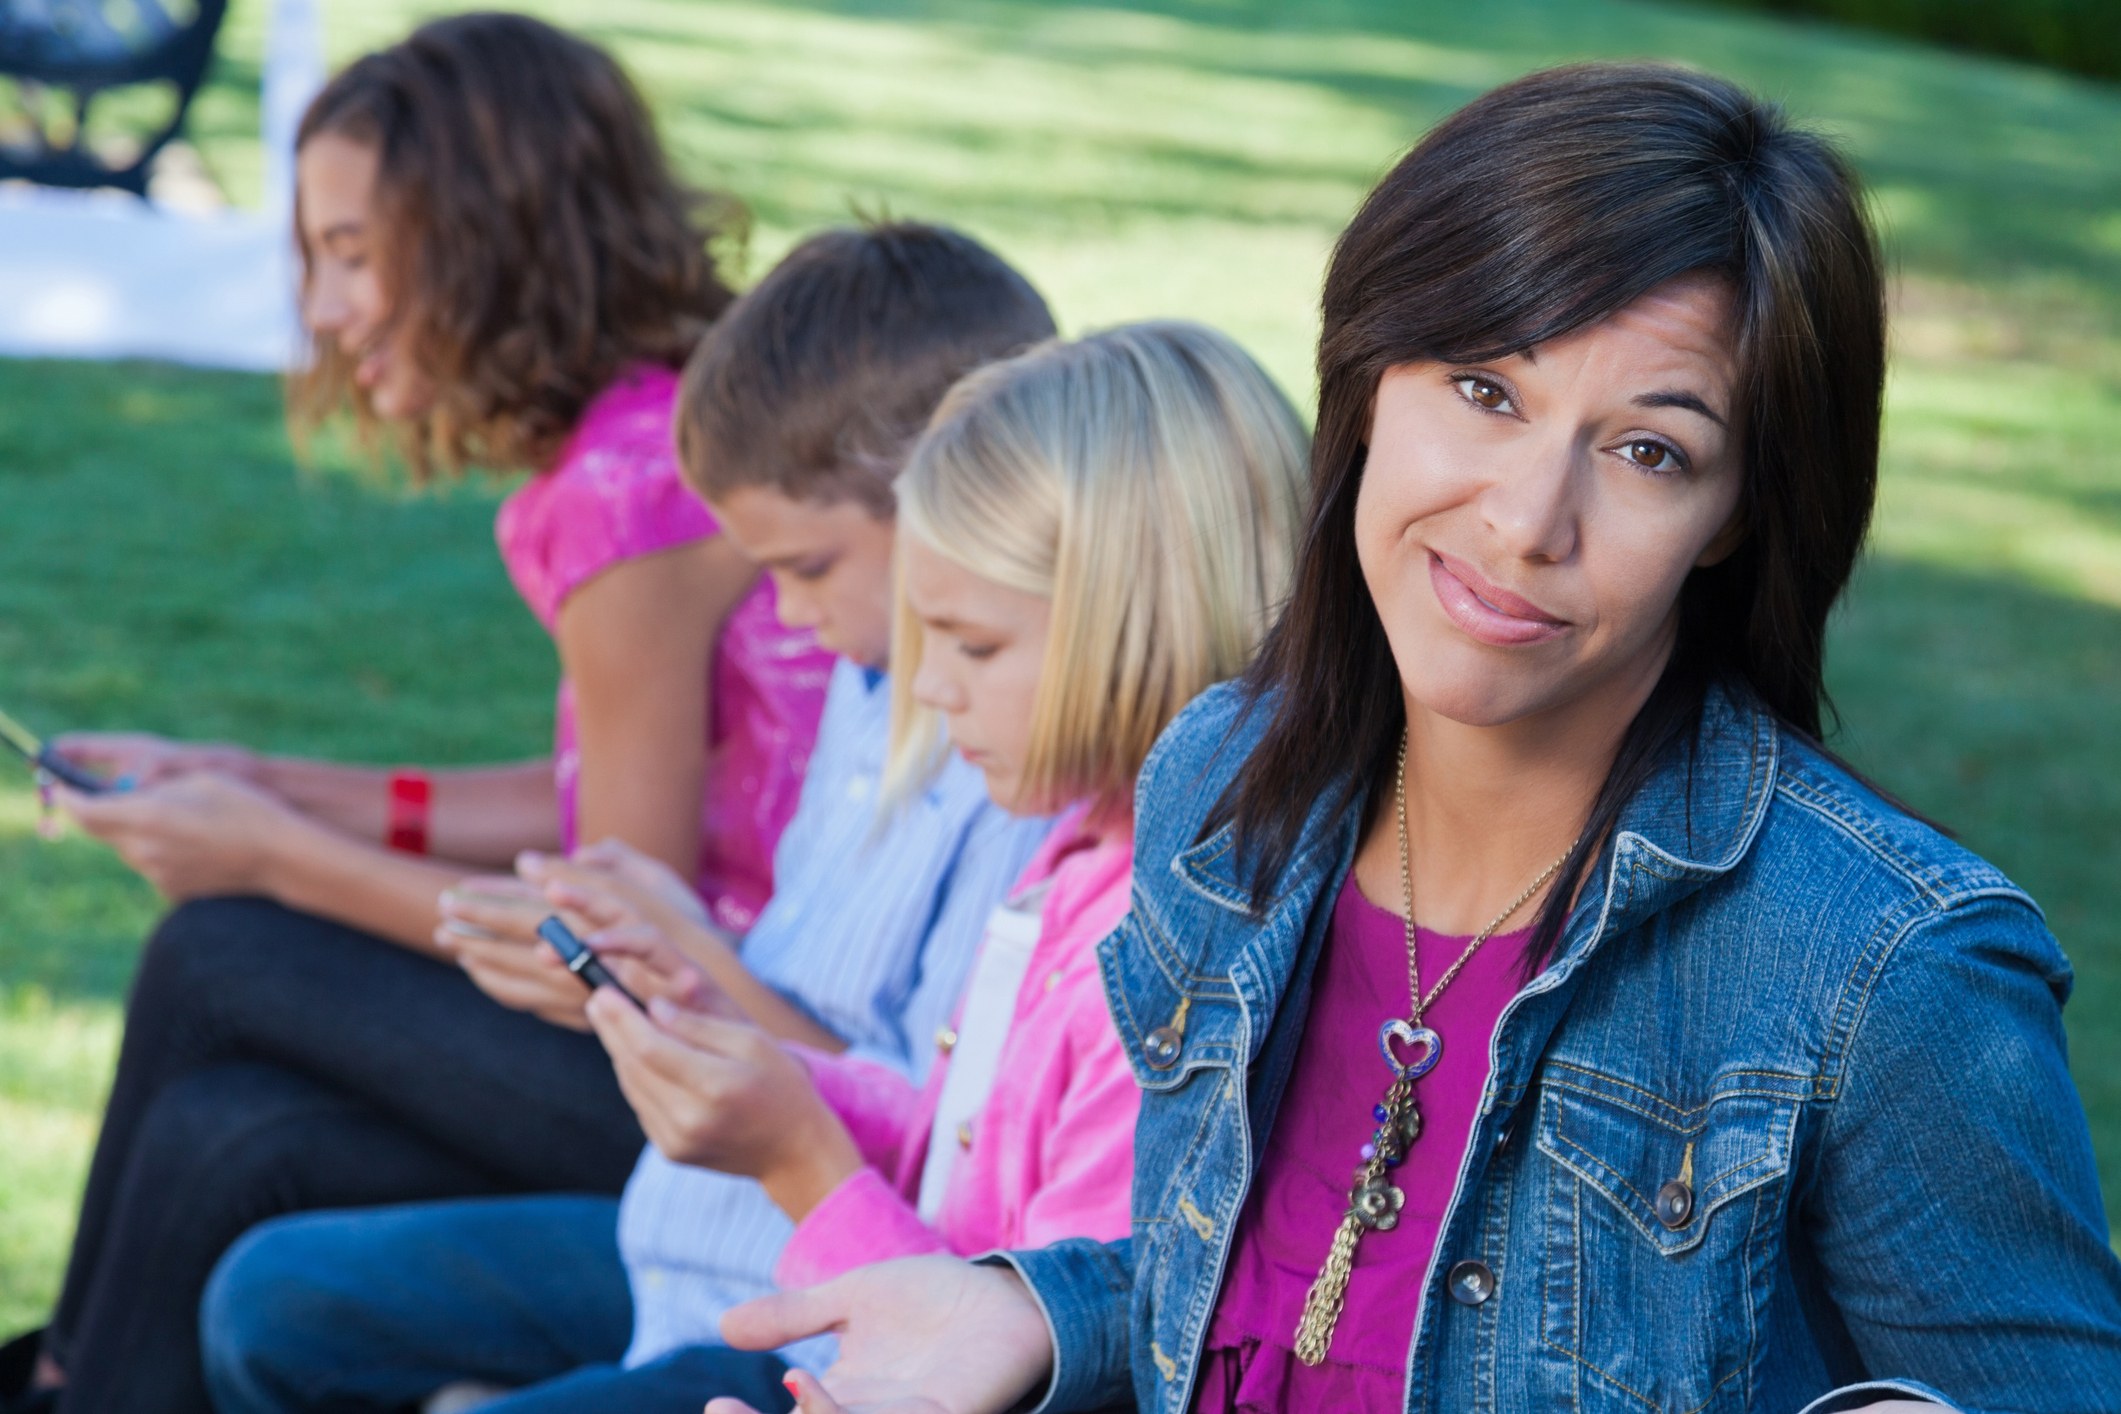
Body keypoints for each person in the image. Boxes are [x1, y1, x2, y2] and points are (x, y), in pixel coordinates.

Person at [697, 63, 2121, 1414]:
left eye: (1648, 450)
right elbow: (1308, 1296)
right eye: (1485, 389)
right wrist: (1036, 1311)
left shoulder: (1884, 972)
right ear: (1368, 377)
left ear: (1736, 514)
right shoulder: (1226, 786)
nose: (1524, 520)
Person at [199, 320, 1308, 1414]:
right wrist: (747, 1046)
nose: (931, 691)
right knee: (271, 1303)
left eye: (972, 648)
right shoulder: (1081, 856)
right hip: (808, 1302)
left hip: (859, 1347)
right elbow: (959, 1145)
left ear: (1136, 625)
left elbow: (1029, 1353)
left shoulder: (1175, 954)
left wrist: (796, 1159)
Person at [1, 16, 838, 1414]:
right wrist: (241, 775)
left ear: (480, 238)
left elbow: (610, 927)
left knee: (220, 950)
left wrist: (264, 852)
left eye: (348, 252)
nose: (323, 308)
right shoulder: (646, 429)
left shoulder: (626, 498)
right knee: (224, 1132)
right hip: (722, 1019)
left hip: (718, 1068)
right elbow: (599, 787)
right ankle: (71, 1385)